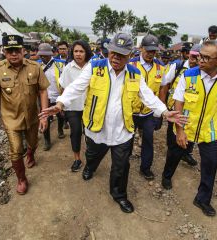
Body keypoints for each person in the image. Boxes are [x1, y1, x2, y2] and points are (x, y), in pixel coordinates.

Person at [39, 33, 186, 213]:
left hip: (122, 131)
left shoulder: (134, 74)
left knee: (121, 166)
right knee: (92, 155)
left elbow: (147, 95)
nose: (116, 57)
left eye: (121, 54)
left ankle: (119, 195)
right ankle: (90, 167)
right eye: (113, 52)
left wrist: (164, 112)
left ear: (130, 55)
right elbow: (76, 87)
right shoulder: (94, 67)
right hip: (97, 129)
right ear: (108, 51)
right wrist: (61, 103)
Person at [161, 41, 217, 217]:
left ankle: (202, 199)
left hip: (209, 130)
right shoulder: (189, 76)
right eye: (200, 55)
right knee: (175, 154)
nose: (200, 60)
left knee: (210, 165)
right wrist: (179, 130)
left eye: (206, 57)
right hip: (186, 127)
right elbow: (178, 103)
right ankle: (167, 176)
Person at [0, 35, 49, 195]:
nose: (13, 54)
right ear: (4, 52)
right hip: (10, 118)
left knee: (33, 143)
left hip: (33, 116)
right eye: (9, 51)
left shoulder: (35, 67)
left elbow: (42, 90)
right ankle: (21, 179)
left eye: (17, 50)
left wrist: (44, 115)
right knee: (15, 150)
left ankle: (31, 153)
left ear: (23, 51)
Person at [129, 34, 167, 180]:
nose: (151, 54)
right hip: (131, 111)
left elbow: (162, 89)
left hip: (148, 113)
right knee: (127, 140)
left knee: (148, 141)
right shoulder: (130, 65)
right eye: (148, 50)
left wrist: (160, 113)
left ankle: (145, 168)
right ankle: (123, 163)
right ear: (141, 48)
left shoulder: (160, 67)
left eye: (153, 51)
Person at [160, 44, 201, 167]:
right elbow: (165, 83)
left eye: (199, 57)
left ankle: (186, 153)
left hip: (192, 109)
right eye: (193, 56)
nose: (195, 60)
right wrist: (163, 104)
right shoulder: (178, 66)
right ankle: (172, 152)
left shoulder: (202, 72)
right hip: (175, 105)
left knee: (191, 131)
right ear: (189, 55)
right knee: (173, 133)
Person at [59, 40, 92, 172]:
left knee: (90, 134)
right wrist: (61, 105)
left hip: (89, 107)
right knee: (76, 132)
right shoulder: (68, 68)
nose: (78, 54)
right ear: (72, 53)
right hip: (72, 107)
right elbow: (64, 88)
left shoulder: (93, 67)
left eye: (81, 51)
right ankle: (77, 158)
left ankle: (90, 159)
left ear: (86, 52)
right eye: (76, 51)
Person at [37, 43, 66, 151]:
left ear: (51, 54)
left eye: (45, 55)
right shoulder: (37, 66)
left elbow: (64, 81)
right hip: (44, 98)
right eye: (41, 55)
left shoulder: (60, 65)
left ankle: (60, 130)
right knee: (45, 118)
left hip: (58, 96)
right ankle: (47, 140)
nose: (43, 57)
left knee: (61, 116)